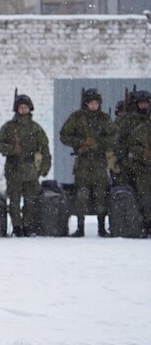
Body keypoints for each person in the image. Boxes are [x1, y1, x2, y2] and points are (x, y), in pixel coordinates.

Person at [59, 88, 116, 237]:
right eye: (91, 103)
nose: (93, 106)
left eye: (96, 103)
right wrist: (81, 143)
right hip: (83, 162)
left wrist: (98, 143)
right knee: (81, 195)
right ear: (86, 103)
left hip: (99, 162)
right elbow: (64, 135)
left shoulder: (104, 118)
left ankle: (102, 227)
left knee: (101, 195)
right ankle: (80, 227)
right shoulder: (77, 118)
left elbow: (114, 137)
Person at [0, 94, 51, 237]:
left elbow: (44, 148)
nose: (23, 109)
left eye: (26, 107)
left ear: (30, 109)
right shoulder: (9, 127)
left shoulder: (36, 128)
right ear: (16, 109)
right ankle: (17, 227)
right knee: (14, 201)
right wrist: (12, 149)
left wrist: (44, 168)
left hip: (31, 169)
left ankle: (28, 226)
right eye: (20, 107)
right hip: (14, 168)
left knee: (30, 201)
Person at [116, 90, 151, 236]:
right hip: (136, 165)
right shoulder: (128, 121)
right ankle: (145, 224)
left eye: (146, 103)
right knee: (142, 196)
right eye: (141, 103)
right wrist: (125, 160)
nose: (144, 105)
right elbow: (120, 142)